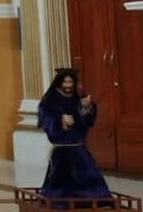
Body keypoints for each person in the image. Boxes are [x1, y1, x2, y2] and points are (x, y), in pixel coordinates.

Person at [38, 68, 111, 207]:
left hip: (78, 147)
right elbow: (45, 115)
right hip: (62, 149)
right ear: (59, 82)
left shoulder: (79, 96)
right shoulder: (51, 98)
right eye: (65, 82)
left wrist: (85, 108)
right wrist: (60, 120)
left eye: (70, 82)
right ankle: (60, 203)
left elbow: (88, 120)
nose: (67, 85)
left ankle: (95, 201)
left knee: (88, 174)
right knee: (60, 179)